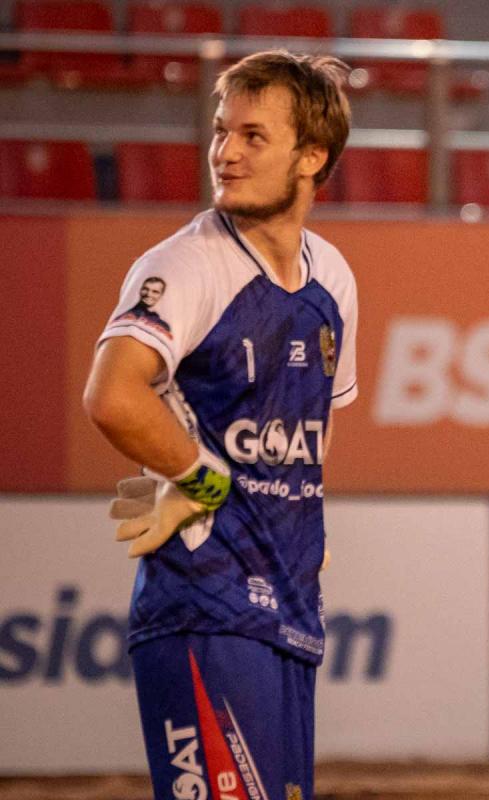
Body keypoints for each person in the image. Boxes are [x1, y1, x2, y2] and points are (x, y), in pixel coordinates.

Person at [82, 50, 357, 800]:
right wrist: (201, 479)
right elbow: (113, 395)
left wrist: (306, 525)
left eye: (252, 136)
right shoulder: (186, 264)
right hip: (203, 605)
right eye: (220, 131)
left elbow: (315, 423)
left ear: (312, 157)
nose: (225, 153)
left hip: (291, 609)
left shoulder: (333, 277)